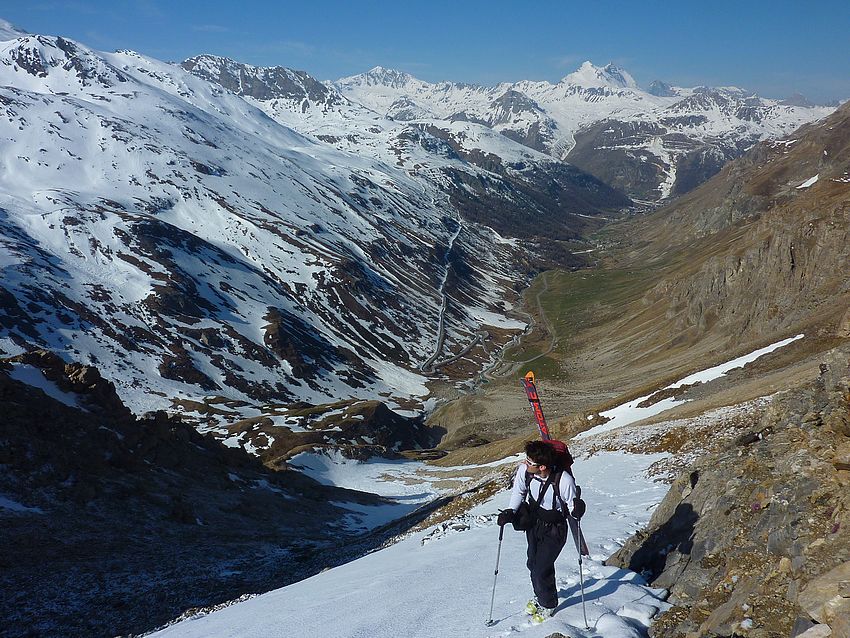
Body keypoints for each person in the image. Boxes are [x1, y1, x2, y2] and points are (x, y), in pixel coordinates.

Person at [496, 440, 585, 622]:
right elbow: (519, 492)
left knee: (540, 568)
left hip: (555, 529)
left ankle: (548, 604)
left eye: (530, 462)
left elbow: (572, 506)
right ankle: (541, 597)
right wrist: (511, 512)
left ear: (542, 466)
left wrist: (578, 509)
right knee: (532, 564)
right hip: (535, 524)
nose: (524, 464)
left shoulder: (564, 481)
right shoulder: (525, 472)